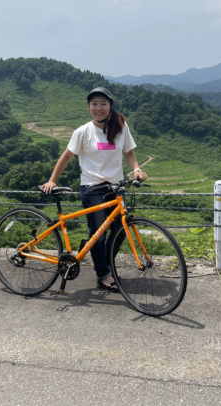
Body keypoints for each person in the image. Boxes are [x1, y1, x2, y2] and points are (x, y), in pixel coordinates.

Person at [42, 87, 147, 292]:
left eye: (103, 104)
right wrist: (52, 180)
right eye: (94, 104)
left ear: (110, 106)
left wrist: (137, 169)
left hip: (116, 188)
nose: (98, 108)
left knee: (120, 229)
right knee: (98, 235)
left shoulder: (121, 126)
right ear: (89, 107)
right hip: (92, 189)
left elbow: (129, 154)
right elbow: (66, 157)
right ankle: (103, 275)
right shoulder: (82, 132)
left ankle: (105, 265)